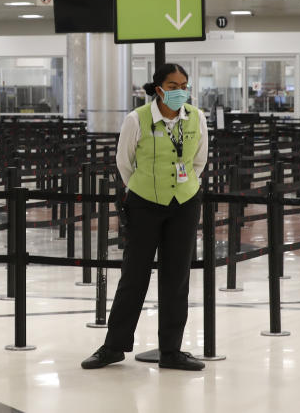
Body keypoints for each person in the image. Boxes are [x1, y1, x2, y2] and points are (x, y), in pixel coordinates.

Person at [81, 63, 209, 371]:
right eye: (173, 85)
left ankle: (171, 350)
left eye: (184, 85)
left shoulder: (196, 117)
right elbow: (124, 163)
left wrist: (185, 187)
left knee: (176, 278)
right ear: (158, 87)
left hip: (185, 203)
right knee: (134, 275)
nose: (179, 91)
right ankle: (113, 346)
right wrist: (143, 188)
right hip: (144, 204)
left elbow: (199, 160)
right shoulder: (136, 119)